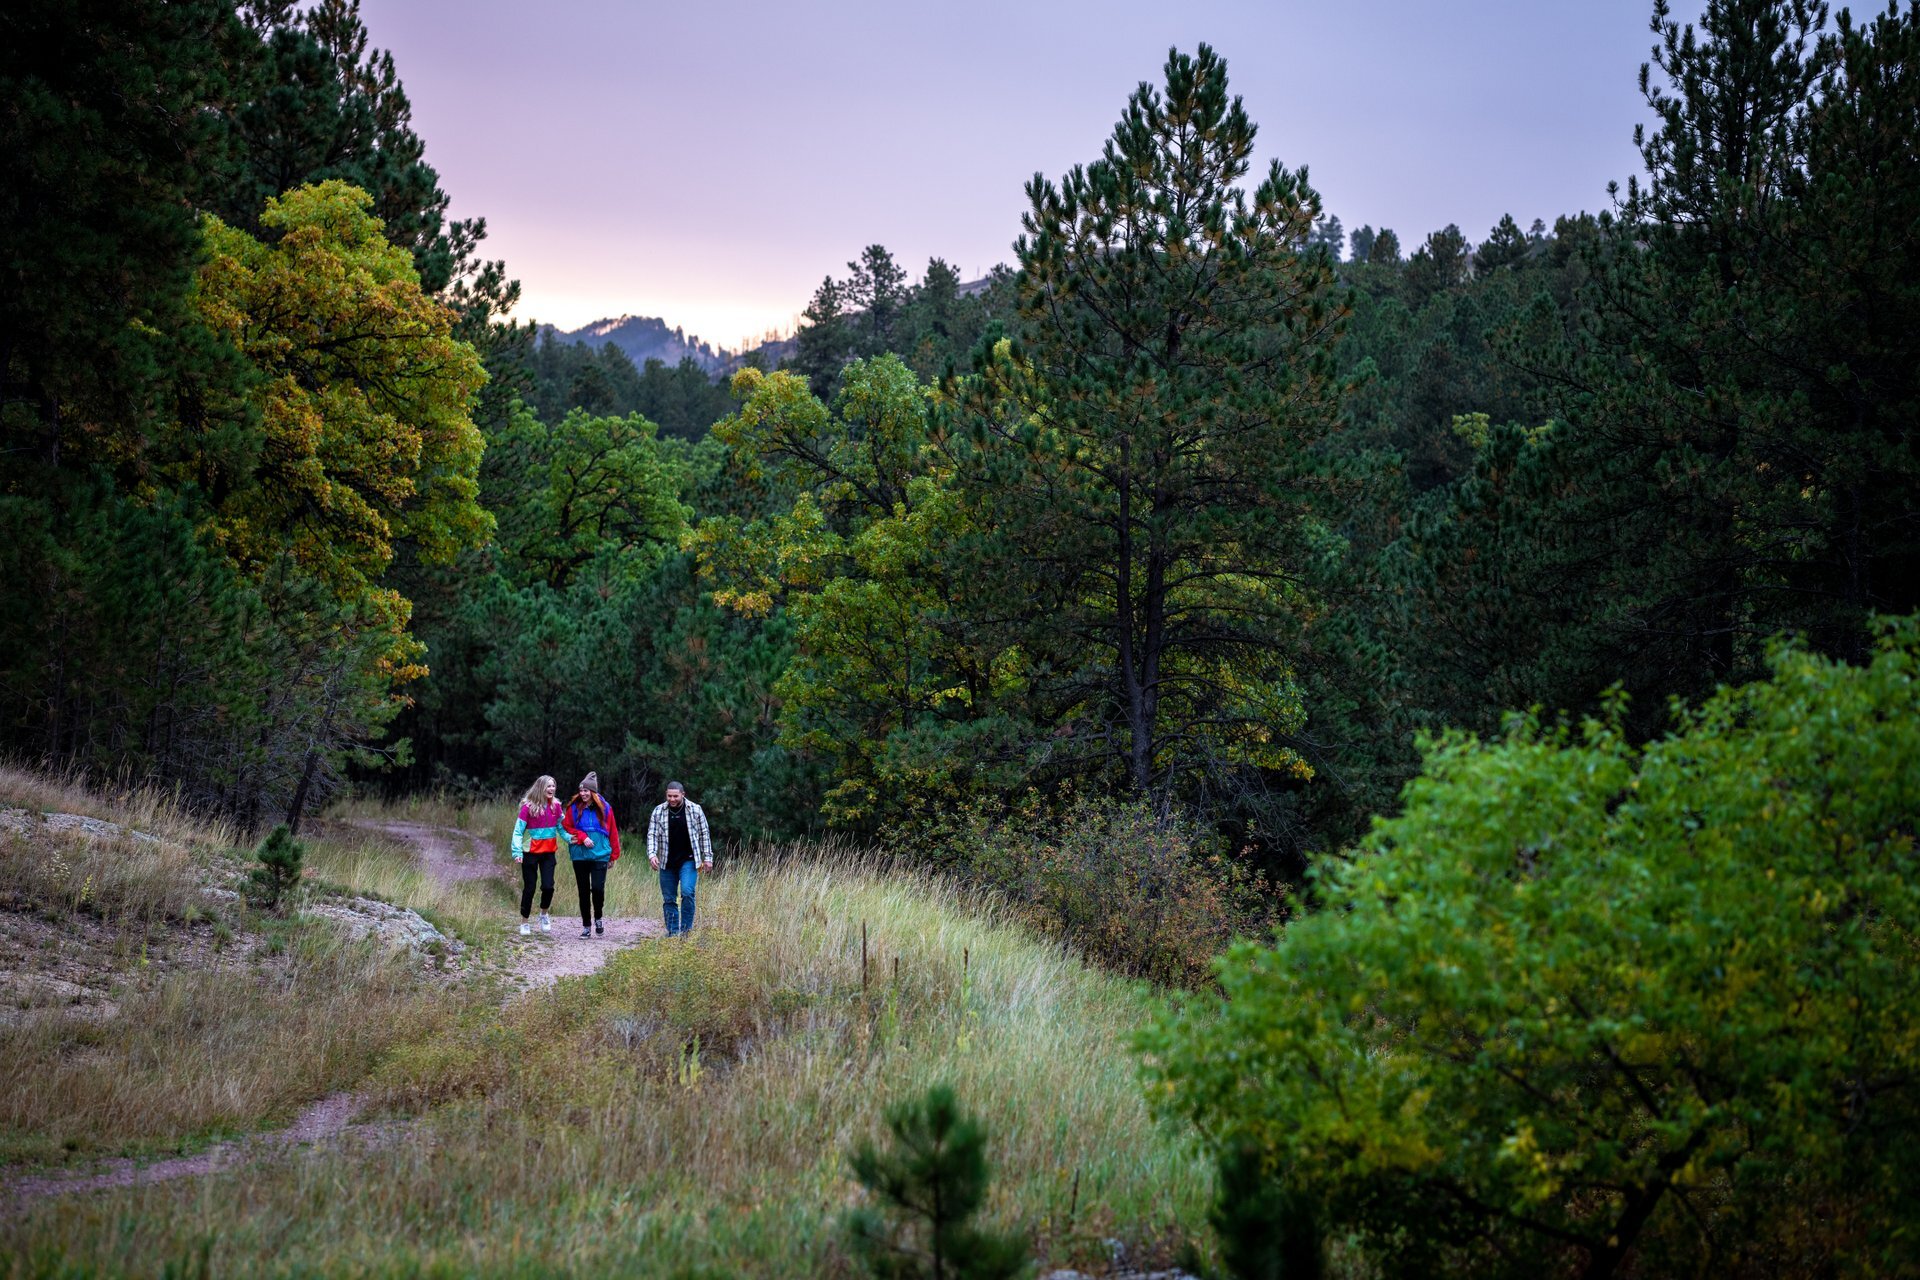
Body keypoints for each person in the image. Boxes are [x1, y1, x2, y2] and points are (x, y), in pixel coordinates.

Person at [559, 771, 621, 939]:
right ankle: (586, 926)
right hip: (579, 855)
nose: (583, 794)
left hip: (600, 854)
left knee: (598, 889)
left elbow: (613, 831)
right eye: (581, 790)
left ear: (593, 792)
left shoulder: (606, 808)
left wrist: (614, 855)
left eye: (586, 791)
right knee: (583, 891)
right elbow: (567, 827)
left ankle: (598, 918)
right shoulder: (573, 808)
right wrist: (582, 836)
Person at [646, 780, 712, 937]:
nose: (672, 799)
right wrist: (652, 854)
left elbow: (704, 834)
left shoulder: (695, 810)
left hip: (689, 860)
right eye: (669, 796)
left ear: (683, 794)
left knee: (687, 892)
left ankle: (686, 931)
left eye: (675, 796)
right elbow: (652, 834)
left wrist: (708, 857)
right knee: (669, 898)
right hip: (667, 861)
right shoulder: (658, 811)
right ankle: (673, 932)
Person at [510, 774, 562, 935]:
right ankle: (524, 922)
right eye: (548, 786)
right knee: (530, 888)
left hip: (548, 853)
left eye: (553, 786)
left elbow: (562, 827)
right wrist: (517, 852)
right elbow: (518, 831)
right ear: (541, 788)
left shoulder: (556, 807)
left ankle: (543, 914)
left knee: (548, 886)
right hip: (530, 852)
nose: (552, 789)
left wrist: (572, 838)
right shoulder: (528, 808)